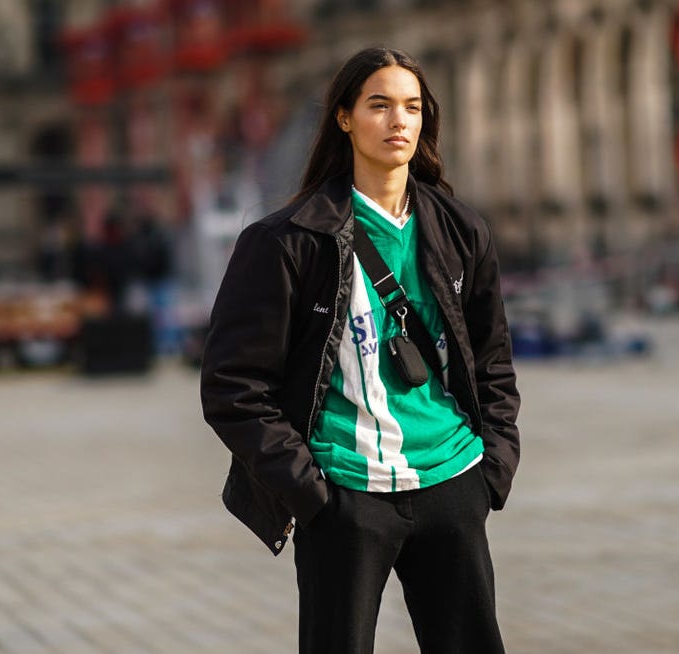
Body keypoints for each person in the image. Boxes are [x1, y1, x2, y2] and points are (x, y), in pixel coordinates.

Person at [200, 47, 521, 654]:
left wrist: (491, 469)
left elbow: (492, 360)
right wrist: (309, 491)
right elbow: (232, 387)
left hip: (452, 484)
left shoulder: (461, 231)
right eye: (379, 105)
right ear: (344, 118)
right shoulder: (285, 241)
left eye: (412, 107)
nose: (398, 120)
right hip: (344, 495)